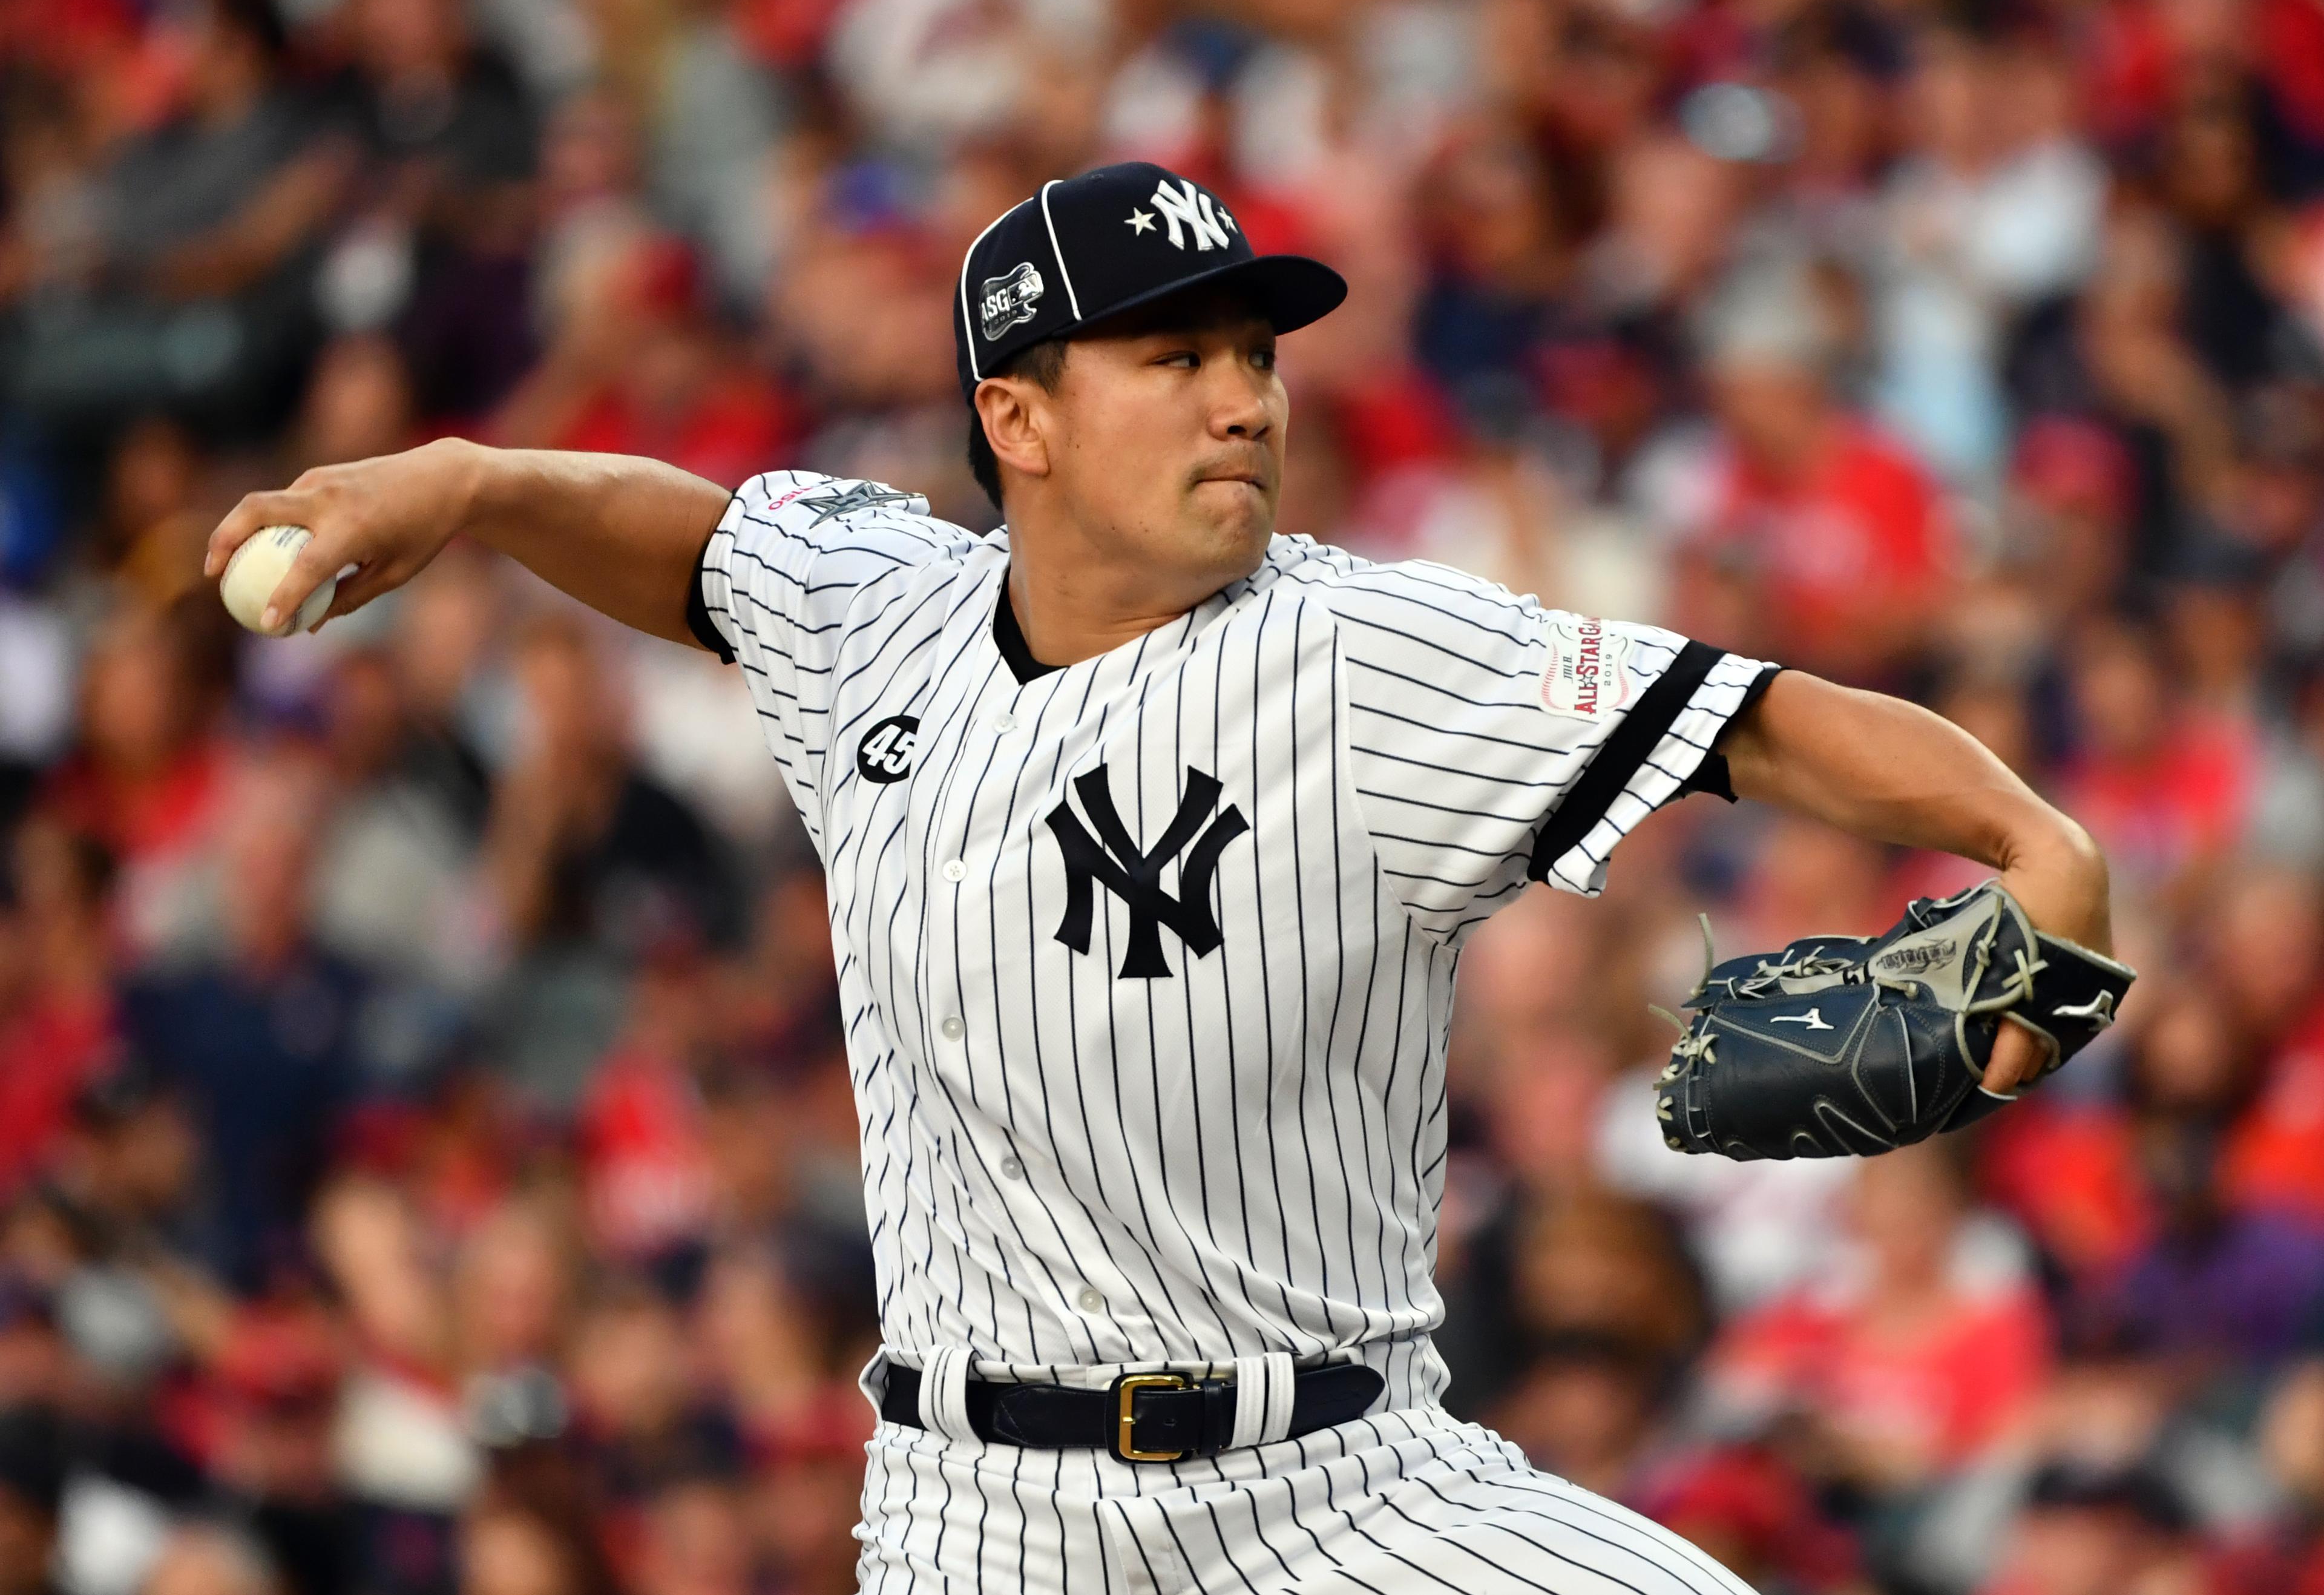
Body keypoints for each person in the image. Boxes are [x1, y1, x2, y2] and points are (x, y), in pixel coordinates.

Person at [207, 161, 2113, 1593]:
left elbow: (1755, 716)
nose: (1248, 397)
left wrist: (2041, 844)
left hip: (1355, 1498)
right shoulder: (876, 613)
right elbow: (688, 540)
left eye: (1258, 354)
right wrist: (461, 476)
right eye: (1176, 354)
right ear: (1017, 418)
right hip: (981, 1513)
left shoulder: (1369, 656)